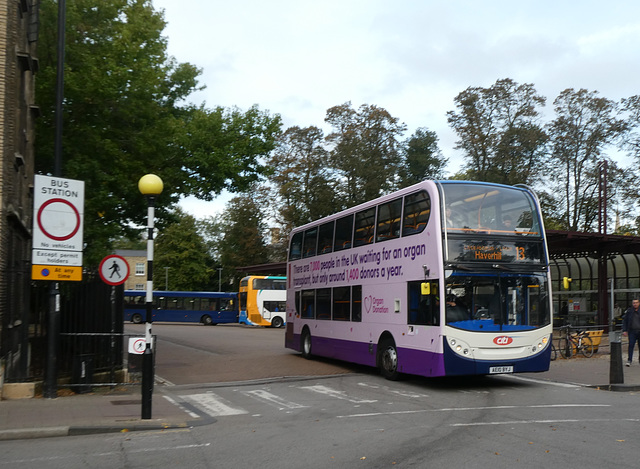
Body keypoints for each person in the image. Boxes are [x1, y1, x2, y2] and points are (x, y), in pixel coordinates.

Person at [622, 298, 640, 366]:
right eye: (634, 303)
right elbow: (625, 321)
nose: (635, 304)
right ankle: (629, 360)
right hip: (632, 331)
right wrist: (625, 330)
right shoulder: (630, 311)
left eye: (636, 302)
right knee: (631, 345)